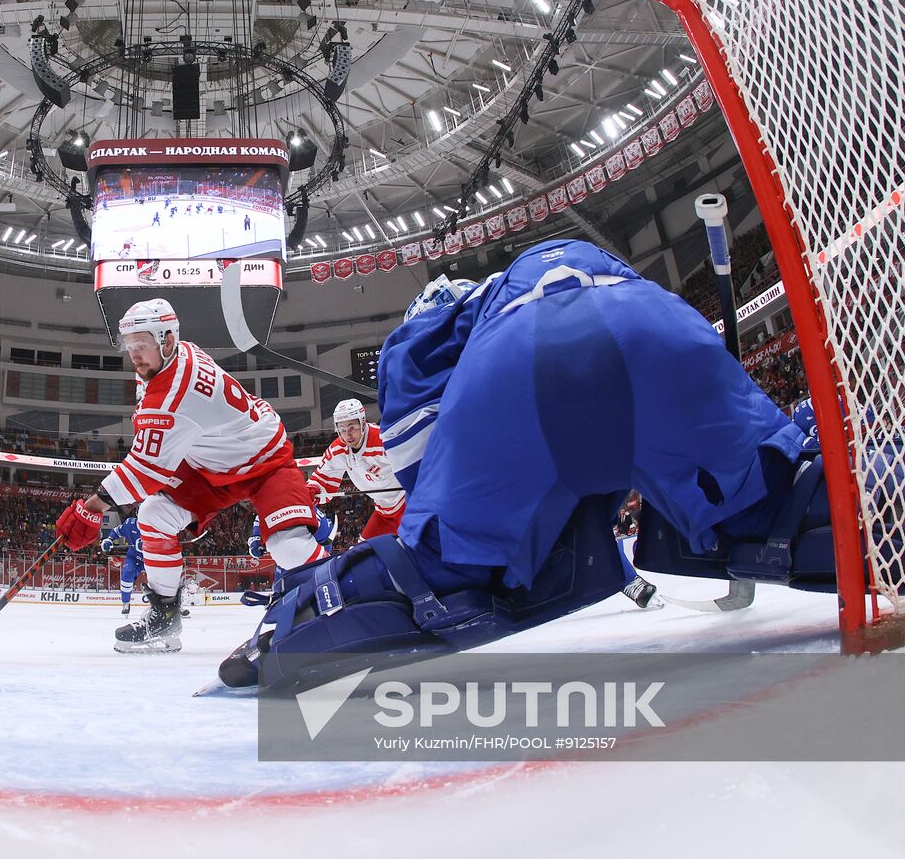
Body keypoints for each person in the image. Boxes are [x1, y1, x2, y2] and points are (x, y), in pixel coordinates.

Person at [222, 241, 824, 688]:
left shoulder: (432, 320)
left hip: (518, 363)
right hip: (653, 320)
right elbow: (619, 373)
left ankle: (287, 632)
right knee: (778, 502)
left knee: (446, 568)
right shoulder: (557, 266)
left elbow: (418, 464)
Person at [55, 298, 328, 654]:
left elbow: (146, 470)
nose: (134, 355)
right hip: (211, 463)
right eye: (130, 346)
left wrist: (90, 507)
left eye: (142, 346)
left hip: (265, 460)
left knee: (287, 545)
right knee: (154, 516)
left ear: (167, 340)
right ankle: (165, 617)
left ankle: (344, 602)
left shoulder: (172, 395)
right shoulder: (179, 354)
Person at [306, 399, 406, 542]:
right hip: (384, 512)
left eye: (352, 427)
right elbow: (322, 479)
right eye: (342, 429)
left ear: (363, 423)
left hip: (409, 505)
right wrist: (310, 492)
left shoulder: (383, 440)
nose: (348, 434)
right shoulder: (338, 450)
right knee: (361, 555)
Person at [248, 505, 337, 580]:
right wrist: (255, 539)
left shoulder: (304, 512)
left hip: (316, 545)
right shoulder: (282, 503)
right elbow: (260, 519)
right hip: (314, 543)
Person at [101, 516, 145, 615]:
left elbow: (167, 541)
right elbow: (117, 531)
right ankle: (126, 603)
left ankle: (172, 604)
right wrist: (109, 539)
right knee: (127, 574)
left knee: (163, 579)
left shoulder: (158, 525)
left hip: (153, 558)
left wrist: (149, 545)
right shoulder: (130, 524)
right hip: (134, 557)